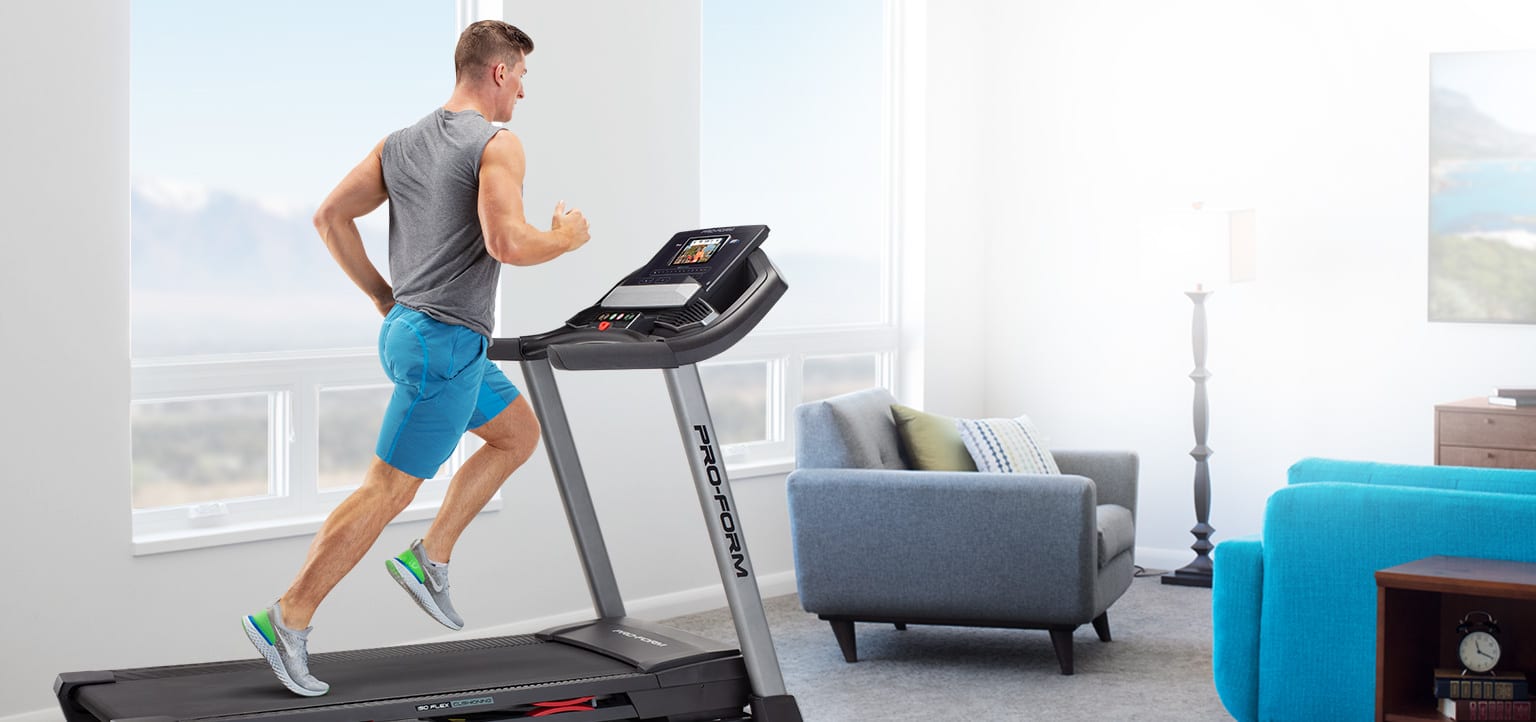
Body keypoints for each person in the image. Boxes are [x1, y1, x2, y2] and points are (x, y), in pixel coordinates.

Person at [239, 19, 590, 697]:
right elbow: (509, 243)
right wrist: (566, 237)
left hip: (418, 332)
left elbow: (329, 217)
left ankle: (430, 555)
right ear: (498, 71)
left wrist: (383, 296)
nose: (523, 91)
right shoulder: (498, 143)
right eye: (521, 75)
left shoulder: (399, 144)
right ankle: (287, 617)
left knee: (517, 434)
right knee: (388, 487)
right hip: (445, 345)